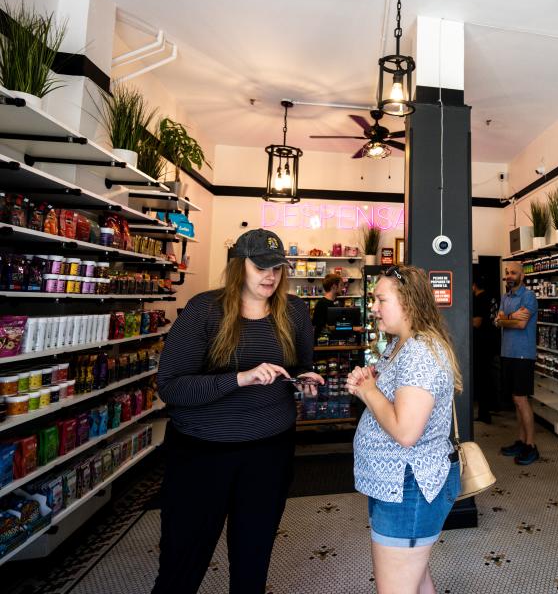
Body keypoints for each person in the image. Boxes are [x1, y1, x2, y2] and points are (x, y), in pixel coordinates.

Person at [152, 229, 322, 594]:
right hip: (202, 454)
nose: (271, 275)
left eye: (277, 267)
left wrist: (304, 381)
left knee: (253, 557)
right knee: (183, 559)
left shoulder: (294, 311)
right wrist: (238, 379)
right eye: (260, 266)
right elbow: (170, 387)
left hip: (270, 451)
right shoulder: (204, 310)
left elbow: (299, 366)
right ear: (237, 265)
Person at [346, 265, 461, 594]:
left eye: (381, 299)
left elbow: (406, 431)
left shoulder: (421, 352)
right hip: (397, 486)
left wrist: (369, 391)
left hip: (410, 487)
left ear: (408, 303)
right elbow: (390, 398)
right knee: (415, 579)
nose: (373, 307)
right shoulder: (399, 345)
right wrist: (369, 385)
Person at [495, 262, 539, 465]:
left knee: (522, 400)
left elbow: (521, 324)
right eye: (507, 273)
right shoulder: (506, 297)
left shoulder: (528, 296)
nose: (509, 276)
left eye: (513, 272)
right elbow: (498, 321)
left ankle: (531, 445)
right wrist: (508, 317)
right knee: (515, 400)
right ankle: (521, 441)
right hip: (507, 353)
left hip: (523, 355)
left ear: (522, 275)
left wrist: (506, 319)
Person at [471, 273, 498, 424]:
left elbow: (477, 322)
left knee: (483, 378)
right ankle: (494, 406)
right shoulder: (492, 297)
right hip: (493, 342)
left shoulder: (478, 300)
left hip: (481, 344)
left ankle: (484, 413)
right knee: (491, 376)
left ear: (474, 285)